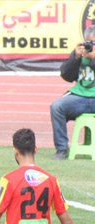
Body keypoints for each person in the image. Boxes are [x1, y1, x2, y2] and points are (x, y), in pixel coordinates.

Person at [50, 26, 95, 160]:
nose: (91, 46)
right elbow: (66, 75)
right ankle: (62, 149)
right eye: (89, 43)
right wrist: (75, 57)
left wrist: (92, 60)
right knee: (56, 107)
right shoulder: (81, 53)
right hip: (80, 97)